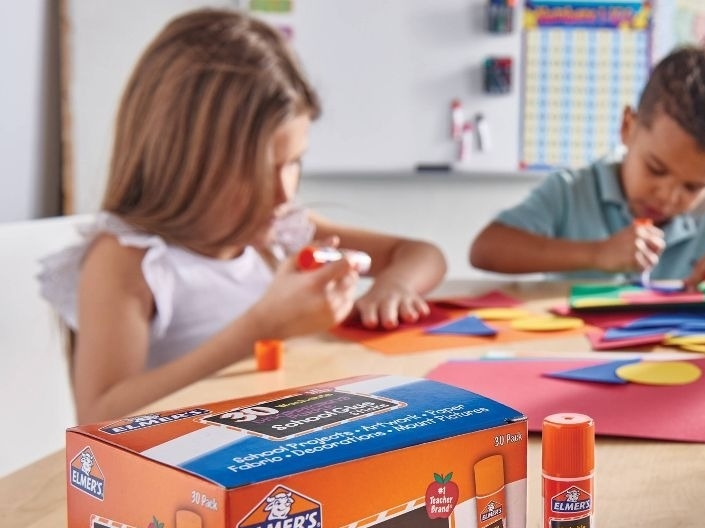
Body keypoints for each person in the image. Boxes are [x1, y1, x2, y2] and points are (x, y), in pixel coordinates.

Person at [38, 9, 446, 425]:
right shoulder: (129, 259)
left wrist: (392, 285)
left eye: (293, 163)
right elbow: (99, 417)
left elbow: (422, 253)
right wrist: (259, 329)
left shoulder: (279, 229)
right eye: (259, 171)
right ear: (184, 159)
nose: (285, 192)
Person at [469, 39, 705, 290]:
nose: (668, 196)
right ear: (628, 126)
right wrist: (597, 254)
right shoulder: (572, 192)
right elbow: (486, 250)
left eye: (693, 186)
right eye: (656, 169)